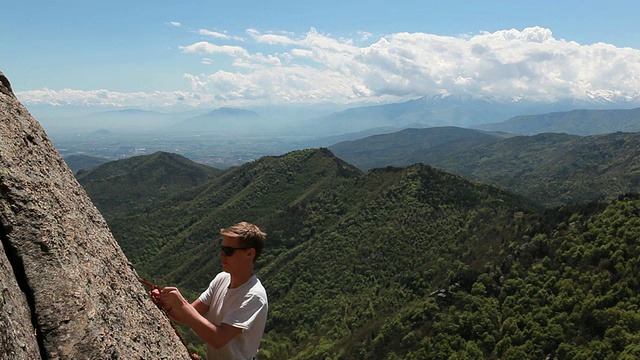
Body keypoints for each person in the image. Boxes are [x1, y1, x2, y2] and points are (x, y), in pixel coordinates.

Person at [156, 222, 268, 360]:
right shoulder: (221, 279)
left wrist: (182, 304)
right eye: (222, 249)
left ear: (249, 253)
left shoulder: (254, 296)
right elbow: (189, 314)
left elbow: (218, 338)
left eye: (228, 251)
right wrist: (165, 304)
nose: (222, 255)